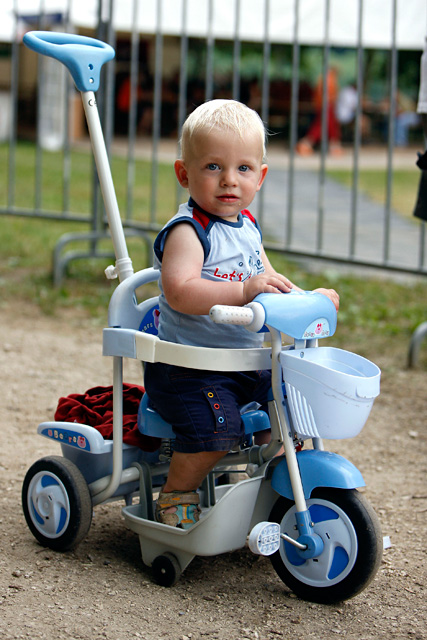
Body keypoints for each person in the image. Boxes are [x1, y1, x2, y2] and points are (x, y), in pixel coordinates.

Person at [144, 99, 339, 529]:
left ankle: (274, 477)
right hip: (190, 368)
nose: (229, 180)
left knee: (293, 403)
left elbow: (268, 280)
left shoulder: (247, 227)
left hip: (246, 361)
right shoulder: (189, 231)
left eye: (243, 169)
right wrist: (242, 290)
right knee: (218, 430)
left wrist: (309, 296)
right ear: (184, 174)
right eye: (213, 166)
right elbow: (180, 291)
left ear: (260, 176)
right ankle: (178, 489)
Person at [296, 68, 343, 156]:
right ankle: (306, 144)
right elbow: (324, 93)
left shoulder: (325, 79)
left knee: (326, 125)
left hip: (325, 105)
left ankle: (334, 145)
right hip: (326, 105)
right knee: (323, 126)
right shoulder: (328, 79)